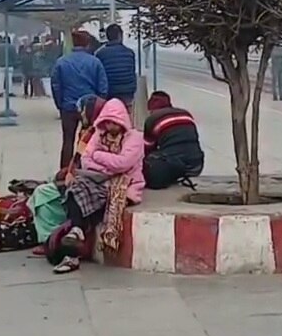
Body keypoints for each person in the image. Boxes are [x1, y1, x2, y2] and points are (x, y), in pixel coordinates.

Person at [51, 99, 144, 274]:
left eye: (113, 122)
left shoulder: (135, 138)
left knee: (96, 204)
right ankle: (76, 232)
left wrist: (99, 156)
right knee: (75, 187)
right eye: (107, 122)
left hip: (123, 184)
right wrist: (108, 167)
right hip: (97, 180)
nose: (110, 126)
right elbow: (86, 160)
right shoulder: (97, 135)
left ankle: (72, 252)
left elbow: (123, 164)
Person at [51, 30, 109, 169]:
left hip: (68, 106)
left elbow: (56, 86)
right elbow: (103, 87)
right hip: (89, 108)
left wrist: (60, 104)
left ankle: (65, 170)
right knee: (88, 140)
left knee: (68, 140)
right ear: (87, 44)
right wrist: (98, 104)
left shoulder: (61, 62)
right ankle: (84, 167)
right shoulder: (95, 62)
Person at [142, 91, 204, 189]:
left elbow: (147, 149)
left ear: (150, 108)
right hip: (196, 164)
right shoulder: (186, 114)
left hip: (173, 164)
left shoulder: (152, 119)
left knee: (149, 161)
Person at [95, 24, 137, 106]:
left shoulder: (100, 54)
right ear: (120, 36)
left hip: (109, 92)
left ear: (107, 37)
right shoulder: (129, 53)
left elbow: (99, 76)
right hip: (127, 91)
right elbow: (132, 72)